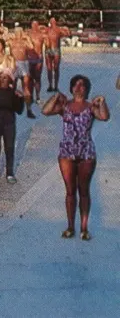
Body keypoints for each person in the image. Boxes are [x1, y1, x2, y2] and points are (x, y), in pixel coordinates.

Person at [42, 76, 109, 240]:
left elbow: (104, 117)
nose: (79, 87)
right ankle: (70, 226)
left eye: (83, 85)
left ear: (87, 89)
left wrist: (102, 102)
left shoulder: (90, 106)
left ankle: (84, 228)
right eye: (76, 85)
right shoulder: (65, 106)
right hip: (67, 151)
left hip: (86, 151)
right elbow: (46, 110)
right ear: (71, 88)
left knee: (84, 190)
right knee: (70, 191)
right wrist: (56, 96)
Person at [8, 24, 36, 118]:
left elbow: (31, 47)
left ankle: (28, 109)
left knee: (26, 87)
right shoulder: (11, 41)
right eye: (16, 32)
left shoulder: (25, 42)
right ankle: (10, 107)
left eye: (20, 32)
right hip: (14, 64)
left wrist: (27, 37)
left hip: (24, 63)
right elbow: (2, 39)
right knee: (11, 86)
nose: (18, 34)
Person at [44, 16, 72, 92]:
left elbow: (68, 34)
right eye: (51, 20)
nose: (52, 22)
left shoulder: (59, 30)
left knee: (56, 69)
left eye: (53, 21)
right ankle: (50, 85)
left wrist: (66, 29)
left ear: (55, 22)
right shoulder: (47, 29)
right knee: (49, 69)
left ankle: (55, 86)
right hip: (48, 50)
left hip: (56, 50)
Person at [27, 20, 47, 103]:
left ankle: (38, 97)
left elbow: (48, 44)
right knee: (30, 78)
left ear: (38, 25)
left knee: (37, 78)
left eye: (36, 24)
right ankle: (31, 96)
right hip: (30, 58)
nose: (34, 26)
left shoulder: (42, 34)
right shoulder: (28, 34)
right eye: (33, 24)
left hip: (39, 58)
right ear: (31, 25)